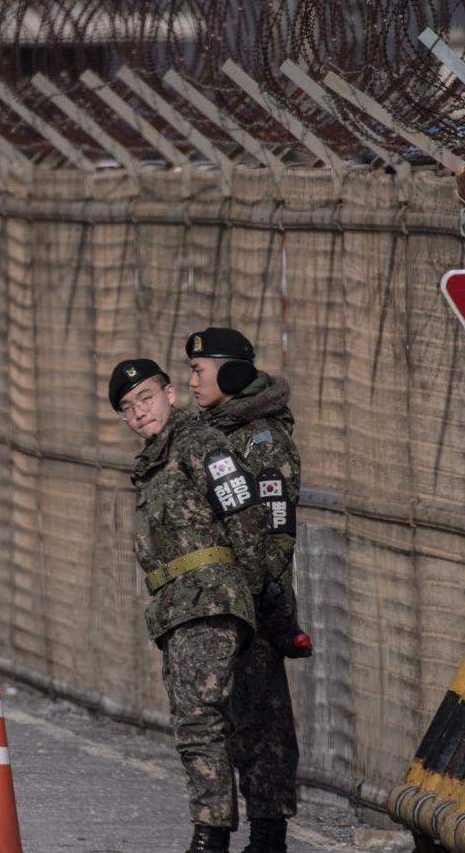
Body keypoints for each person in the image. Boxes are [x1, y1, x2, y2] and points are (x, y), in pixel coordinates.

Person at [109, 357, 266, 853]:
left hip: (209, 600)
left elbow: (243, 511)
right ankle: (215, 828)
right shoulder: (156, 459)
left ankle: (211, 836)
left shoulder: (197, 442)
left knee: (199, 719)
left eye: (147, 398)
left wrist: (251, 588)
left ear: (169, 394)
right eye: (128, 408)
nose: (139, 413)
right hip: (180, 607)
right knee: (196, 719)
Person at [185, 327, 308, 853]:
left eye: (200, 369)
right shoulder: (211, 433)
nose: (191, 380)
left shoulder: (262, 439)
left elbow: (274, 534)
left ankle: (268, 837)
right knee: (223, 722)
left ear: (233, 372)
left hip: (253, 606)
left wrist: (251, 595)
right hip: (217, 603)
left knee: (262, 723)